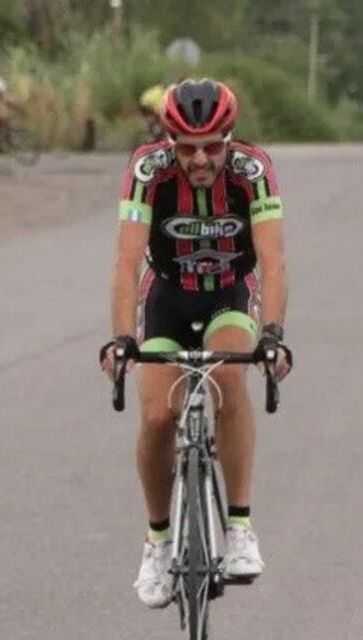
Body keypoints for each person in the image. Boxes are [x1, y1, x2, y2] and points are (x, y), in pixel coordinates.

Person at [98, 78, 292, 609]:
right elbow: (126, 262)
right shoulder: (148, 170)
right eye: (187, 148)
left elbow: (273, 262)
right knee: (158, 415)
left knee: (228, 377)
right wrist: (121, 338)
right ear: (170, 142)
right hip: (168, 294)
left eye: (212, 146)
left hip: (230, 292)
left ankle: (240, 528)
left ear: (229, 139)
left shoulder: (252, 170)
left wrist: (273, 336)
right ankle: (158, 541)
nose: (201, 159)